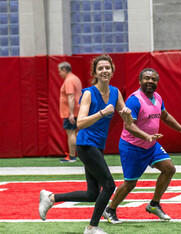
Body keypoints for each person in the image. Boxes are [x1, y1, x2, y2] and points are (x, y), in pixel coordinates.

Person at [39, 54, 133, 234]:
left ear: (112, 71)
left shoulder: (115, 92)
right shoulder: (89, 93)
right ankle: (92, 227)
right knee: (109, 185)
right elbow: (80, 123)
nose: (104, 71)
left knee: (93, 194)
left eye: (107, 68)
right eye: (100, 68)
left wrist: (128, 113)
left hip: (97, 146)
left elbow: (127, 121)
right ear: (95, 73)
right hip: (85, 144)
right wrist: (102, 113)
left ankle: (50, 197)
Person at [102, 68, 181, 223]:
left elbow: (165, 115)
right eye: (146, 78)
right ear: (140, 81)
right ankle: (110, 209)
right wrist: (147, 136)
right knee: (131, 183)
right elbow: (129, 126)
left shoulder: (157, 97)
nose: (150, 82)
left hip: (151, 145)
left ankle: (154, 204)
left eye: (153, 79)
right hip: (132, 146)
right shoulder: (134, 100)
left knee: (169, 169)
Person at [58, 62, 82, 162]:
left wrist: (71, 113)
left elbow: (71, 96)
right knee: (75, 133)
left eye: (60, 71)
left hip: (71, 112)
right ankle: (77, 155)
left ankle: (72, 156)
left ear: (64, 70)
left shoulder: (69, 80)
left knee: (71, 133)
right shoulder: (75, 78)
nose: (59, 74)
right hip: (77, 109)